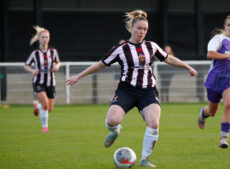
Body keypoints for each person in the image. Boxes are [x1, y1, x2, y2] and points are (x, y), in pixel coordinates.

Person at [66, 9, 197, 167]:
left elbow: (169, 59)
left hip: (148, 91)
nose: (142, 32)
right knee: (112, 121)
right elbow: (100, 64)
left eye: (145, 29)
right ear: (131, 28)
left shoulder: (151, 46)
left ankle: (144, 159)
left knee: (154, 123)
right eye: (139, 28)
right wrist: (78, 76)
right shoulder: (120, 49)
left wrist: (187, 67)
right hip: (126, 90)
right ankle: (116, 131)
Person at [197, 15, 230, 149]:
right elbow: (210, 55)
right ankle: (203, 113)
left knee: (229, 104)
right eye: (229, 25)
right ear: (225, 27)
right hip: (215, 79)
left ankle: (223, 138)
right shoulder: (218, 39)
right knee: (212, 112)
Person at [24, 25, 61, 133]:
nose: (45, 39)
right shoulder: (35, 53)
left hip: (51, 82)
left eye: (47, 37)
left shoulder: (53, 51)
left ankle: (37, 105)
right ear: (39, 39)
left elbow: (58, 62)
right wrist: (32, 70)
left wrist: (57, 66)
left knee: (49, 108)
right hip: (38, 82)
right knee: (45, 104)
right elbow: (26, 65)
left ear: (49, 39)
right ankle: (45, 127)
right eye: (43, 37)